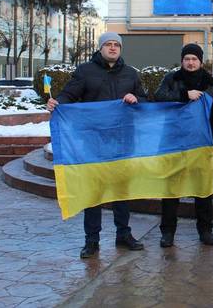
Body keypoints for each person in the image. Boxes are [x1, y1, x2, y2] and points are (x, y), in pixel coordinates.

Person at [46, 32, 146, 259]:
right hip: (93, 141)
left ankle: (124, 234)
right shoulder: (85, 71)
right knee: (94, 192)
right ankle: (92, 240)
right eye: (108, 44)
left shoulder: (131, 74)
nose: (112, 48)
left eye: (116, 45)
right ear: (100, 48)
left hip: (122, 140)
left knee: (122, 190)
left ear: (120, 49)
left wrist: (136, 98)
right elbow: (69, 95)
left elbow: (146, 100)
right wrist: (57, 102)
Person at [153, 43, 213, 248]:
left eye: (194, 59)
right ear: (182, 61)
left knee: (203, 190)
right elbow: (158, 98)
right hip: (174, 142)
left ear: (201, 61)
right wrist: (185, 95)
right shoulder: (171, 79)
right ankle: (167, 232)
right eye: (187, 59)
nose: (191, 63)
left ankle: (205, 230)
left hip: (201, 144)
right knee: (170, 191)